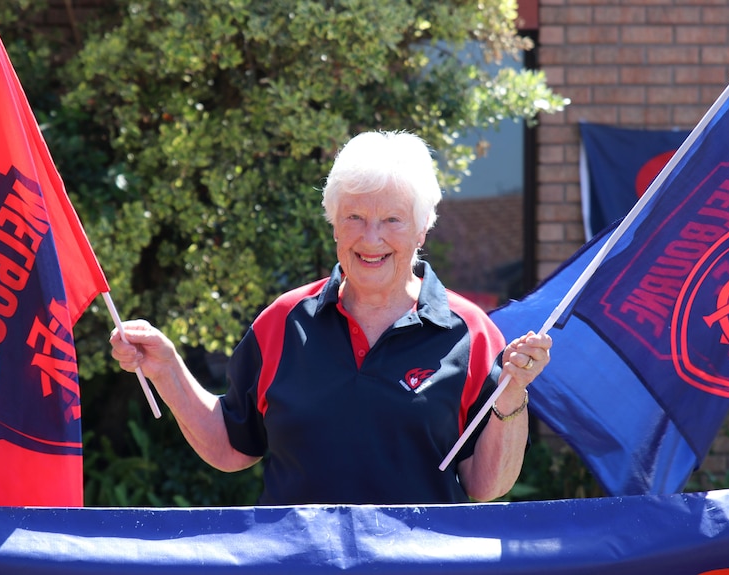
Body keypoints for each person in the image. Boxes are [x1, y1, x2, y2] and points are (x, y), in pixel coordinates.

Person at [110, 130, 552, 505]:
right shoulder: (282, 322)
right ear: (334, 224)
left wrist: (512, 396)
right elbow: (231, 446)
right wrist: (166, 369)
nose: (371, 237)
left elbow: (485, 486)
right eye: (355, 217)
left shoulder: (472, 333)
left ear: (422, 229)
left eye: (392, 220)